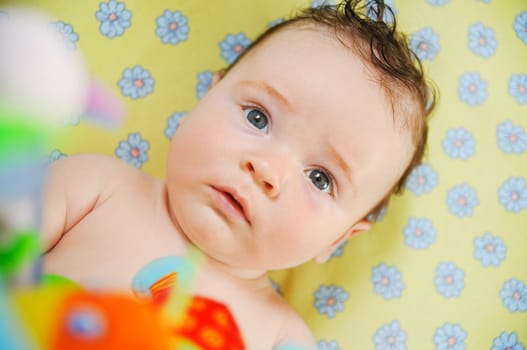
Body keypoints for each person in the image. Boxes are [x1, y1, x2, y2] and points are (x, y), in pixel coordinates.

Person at [41, 0, 436, 348]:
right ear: (209, 94)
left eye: (321, 178)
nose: (266, 170)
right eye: (257, 117)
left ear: (337, 240)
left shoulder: (280, 335)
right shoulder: (94, 188)